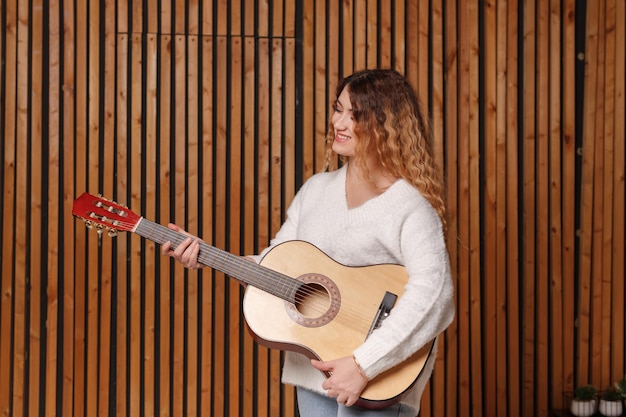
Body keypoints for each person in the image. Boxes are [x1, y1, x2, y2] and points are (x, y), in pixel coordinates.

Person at [162, 69, 455, 417]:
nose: (339, 122)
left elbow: (435, 293)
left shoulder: (409, 207)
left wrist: (363, 365)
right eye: (338, 109)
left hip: (378, 380)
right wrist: (204, 254)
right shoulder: (316, 190)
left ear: (384, 124)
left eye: (354, 114)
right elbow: (276, 265)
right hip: (313, 375)